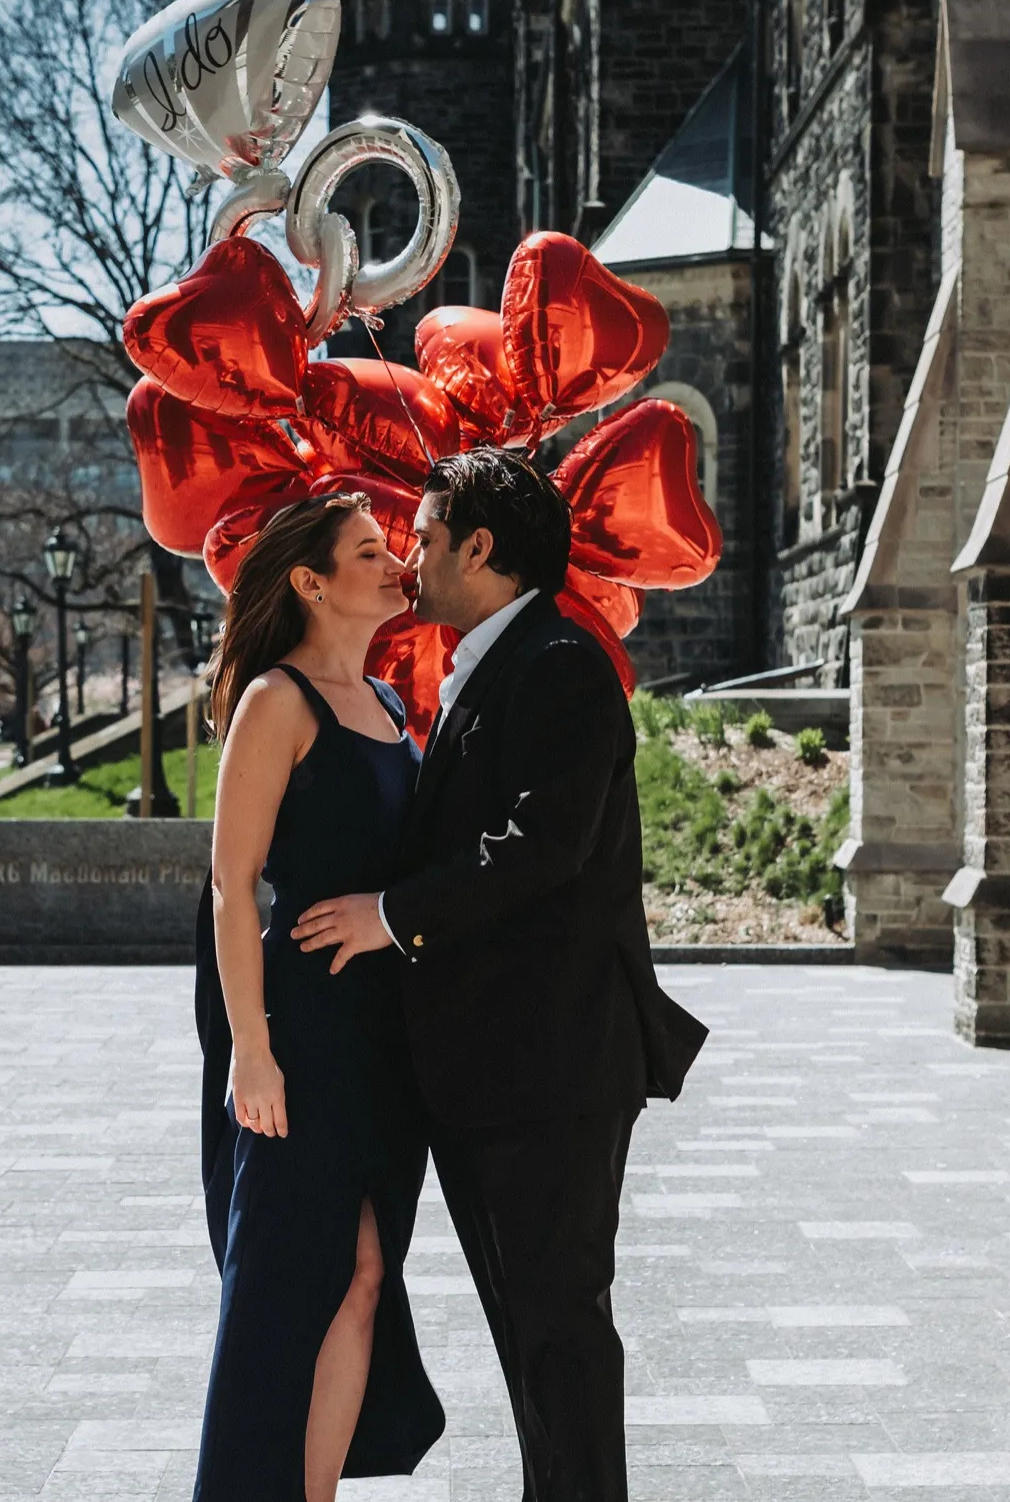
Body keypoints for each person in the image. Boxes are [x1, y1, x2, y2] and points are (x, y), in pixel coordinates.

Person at [292, 447, 708, 1502]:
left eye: (426, 538)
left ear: (480, 548)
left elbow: (541, 847)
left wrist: (389, 915)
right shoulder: (499, 660)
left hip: (547, 1072)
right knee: (532, 1337)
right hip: (494, 1077)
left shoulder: (558, 660)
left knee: (559, 1332)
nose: (412, 559)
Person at [193, 493, 445, 1502]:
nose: (396, 565)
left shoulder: (388, 705)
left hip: (383, 1034)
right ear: (310, 580)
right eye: (370, 552)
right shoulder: (277, 700)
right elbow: (229, 883)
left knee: (366, 1277)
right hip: (296, 1031)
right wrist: (251, 1050)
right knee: (287, 1286)